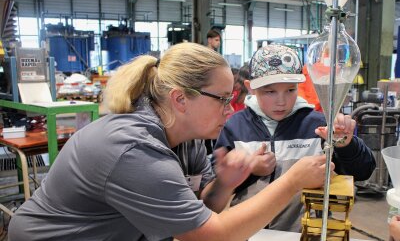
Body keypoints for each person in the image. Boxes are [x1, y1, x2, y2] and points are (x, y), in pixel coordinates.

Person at [9, 42, 331, 241]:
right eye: (222, 99)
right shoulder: (134, 149)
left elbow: (198, 210)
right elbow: (212, 235)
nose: (230, 109)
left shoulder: (187, 139)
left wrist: (225, 185)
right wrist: (293, 181)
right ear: (180, 99)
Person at [214, 44, 376, 232]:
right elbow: (215, 190)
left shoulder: (317, 125)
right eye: (270, 91)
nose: (281, 101)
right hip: (248, 233)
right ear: (251, 87)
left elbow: (363, 171)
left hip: (302, 233)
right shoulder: (235, 127)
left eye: (290, 90)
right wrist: (247, 169)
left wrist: (346, 145)